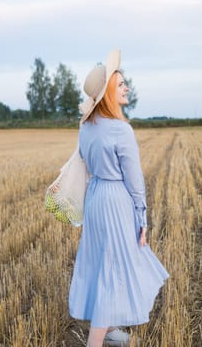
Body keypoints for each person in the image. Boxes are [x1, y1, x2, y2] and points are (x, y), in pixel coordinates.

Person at [68, 50, 169, 347]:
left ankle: (110, 330)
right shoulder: (122, 130)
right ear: (110, 92)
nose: (126, 88)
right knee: (114, 270)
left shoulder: (86, 126)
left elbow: (84, 162)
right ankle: (95, 342)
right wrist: (142, 218)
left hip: (96, 197)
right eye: (121, 84)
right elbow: (135, 182)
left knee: (102, 262)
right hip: (115, 200)